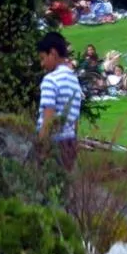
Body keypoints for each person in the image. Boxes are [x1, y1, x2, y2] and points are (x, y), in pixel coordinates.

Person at [35, 32, 84, 170]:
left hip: (53, 145)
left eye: (43, 58)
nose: (42, 63)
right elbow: (75, 120)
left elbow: (48, 118)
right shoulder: (74, 81)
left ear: (53, 53)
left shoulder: (50, 80)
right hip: (70, 143)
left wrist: (41, 149)